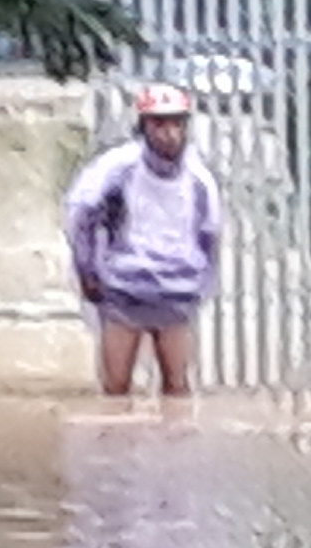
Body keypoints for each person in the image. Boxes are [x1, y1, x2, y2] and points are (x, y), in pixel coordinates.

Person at [64, 84, 222, 395]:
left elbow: (209, 233)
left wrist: (200, 283)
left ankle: (174, 442)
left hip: (176, 293)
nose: (169, 133)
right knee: (115, 388)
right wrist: (88, 271)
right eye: (159, 124)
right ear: (144, 126)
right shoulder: (116, 167)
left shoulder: (199, 177)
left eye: (177, 123)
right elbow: (81, 213)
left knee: (178, 389)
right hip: (124, 291)